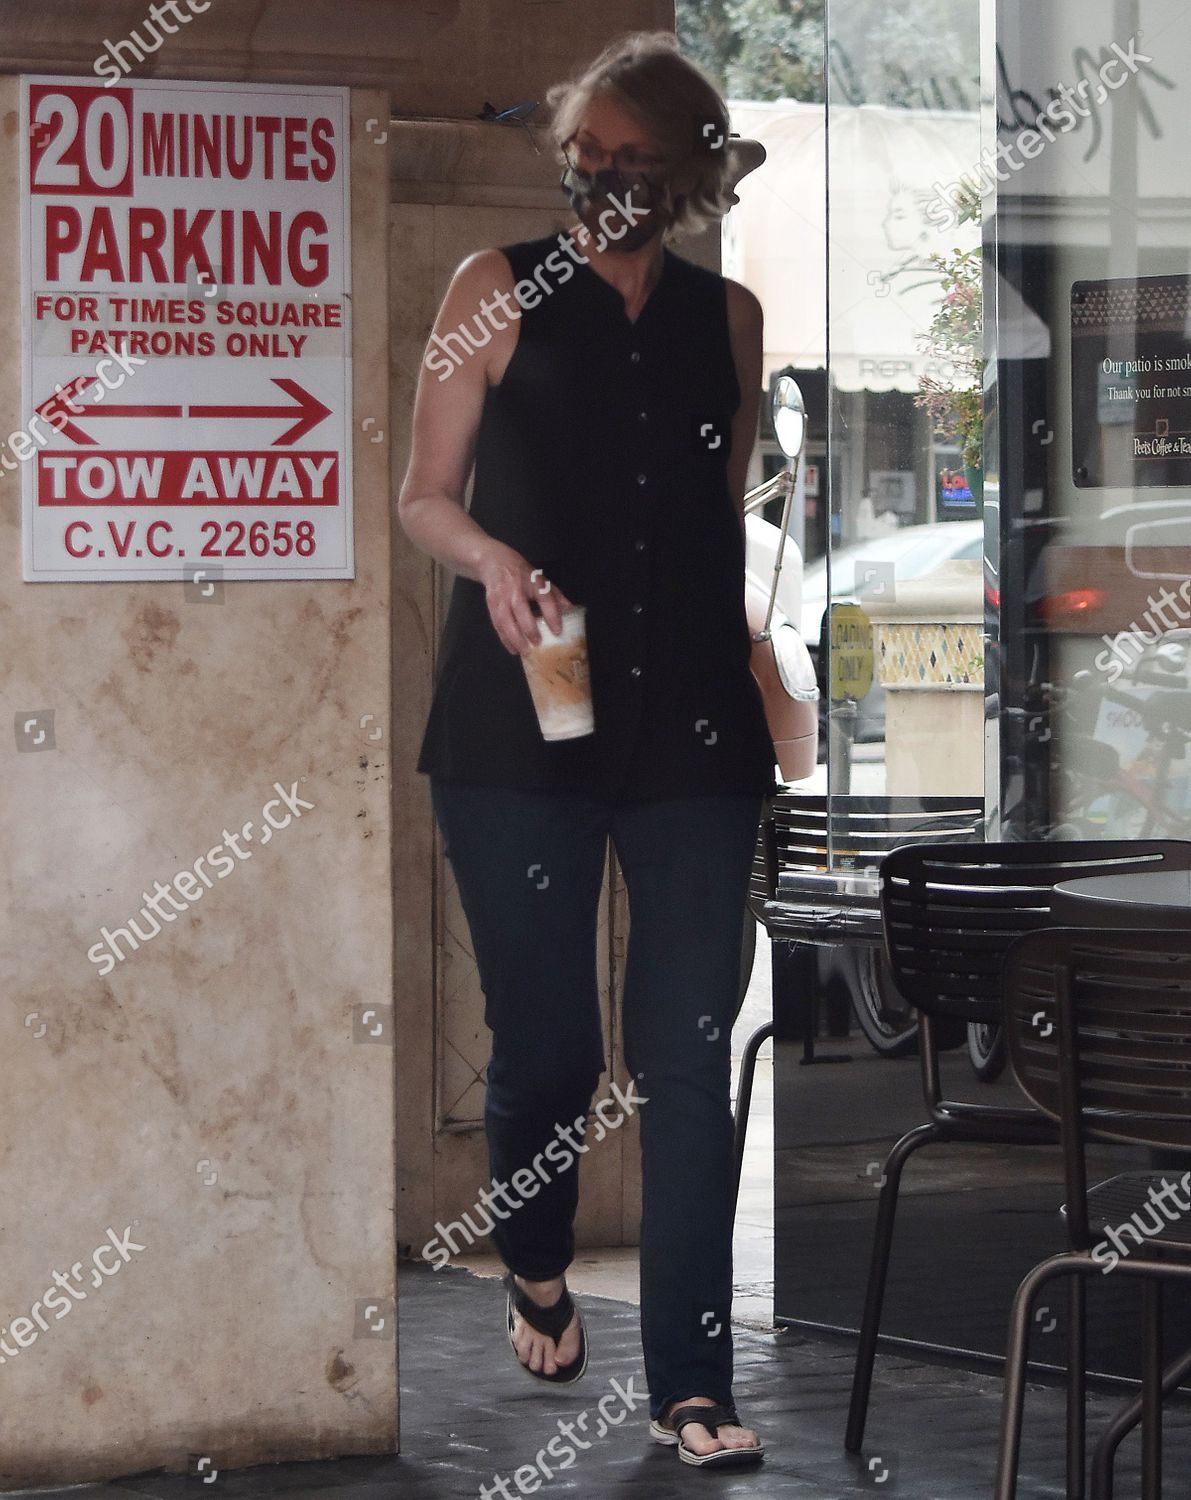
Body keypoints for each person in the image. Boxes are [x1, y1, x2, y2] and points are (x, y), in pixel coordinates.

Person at [398, 29, 776, 1471]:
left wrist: (766, 685)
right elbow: (425, 493)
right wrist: (494, 560)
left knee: (687, 1055)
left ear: (685, 171)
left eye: (632, 160)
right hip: (521, 721)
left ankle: (691, 1380)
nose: (604, 181)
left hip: (690, 728)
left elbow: (712, 514)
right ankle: (537, 1250)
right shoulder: (486, 290)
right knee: (548, 1044)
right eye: (585, 157)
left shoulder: (729, 319)